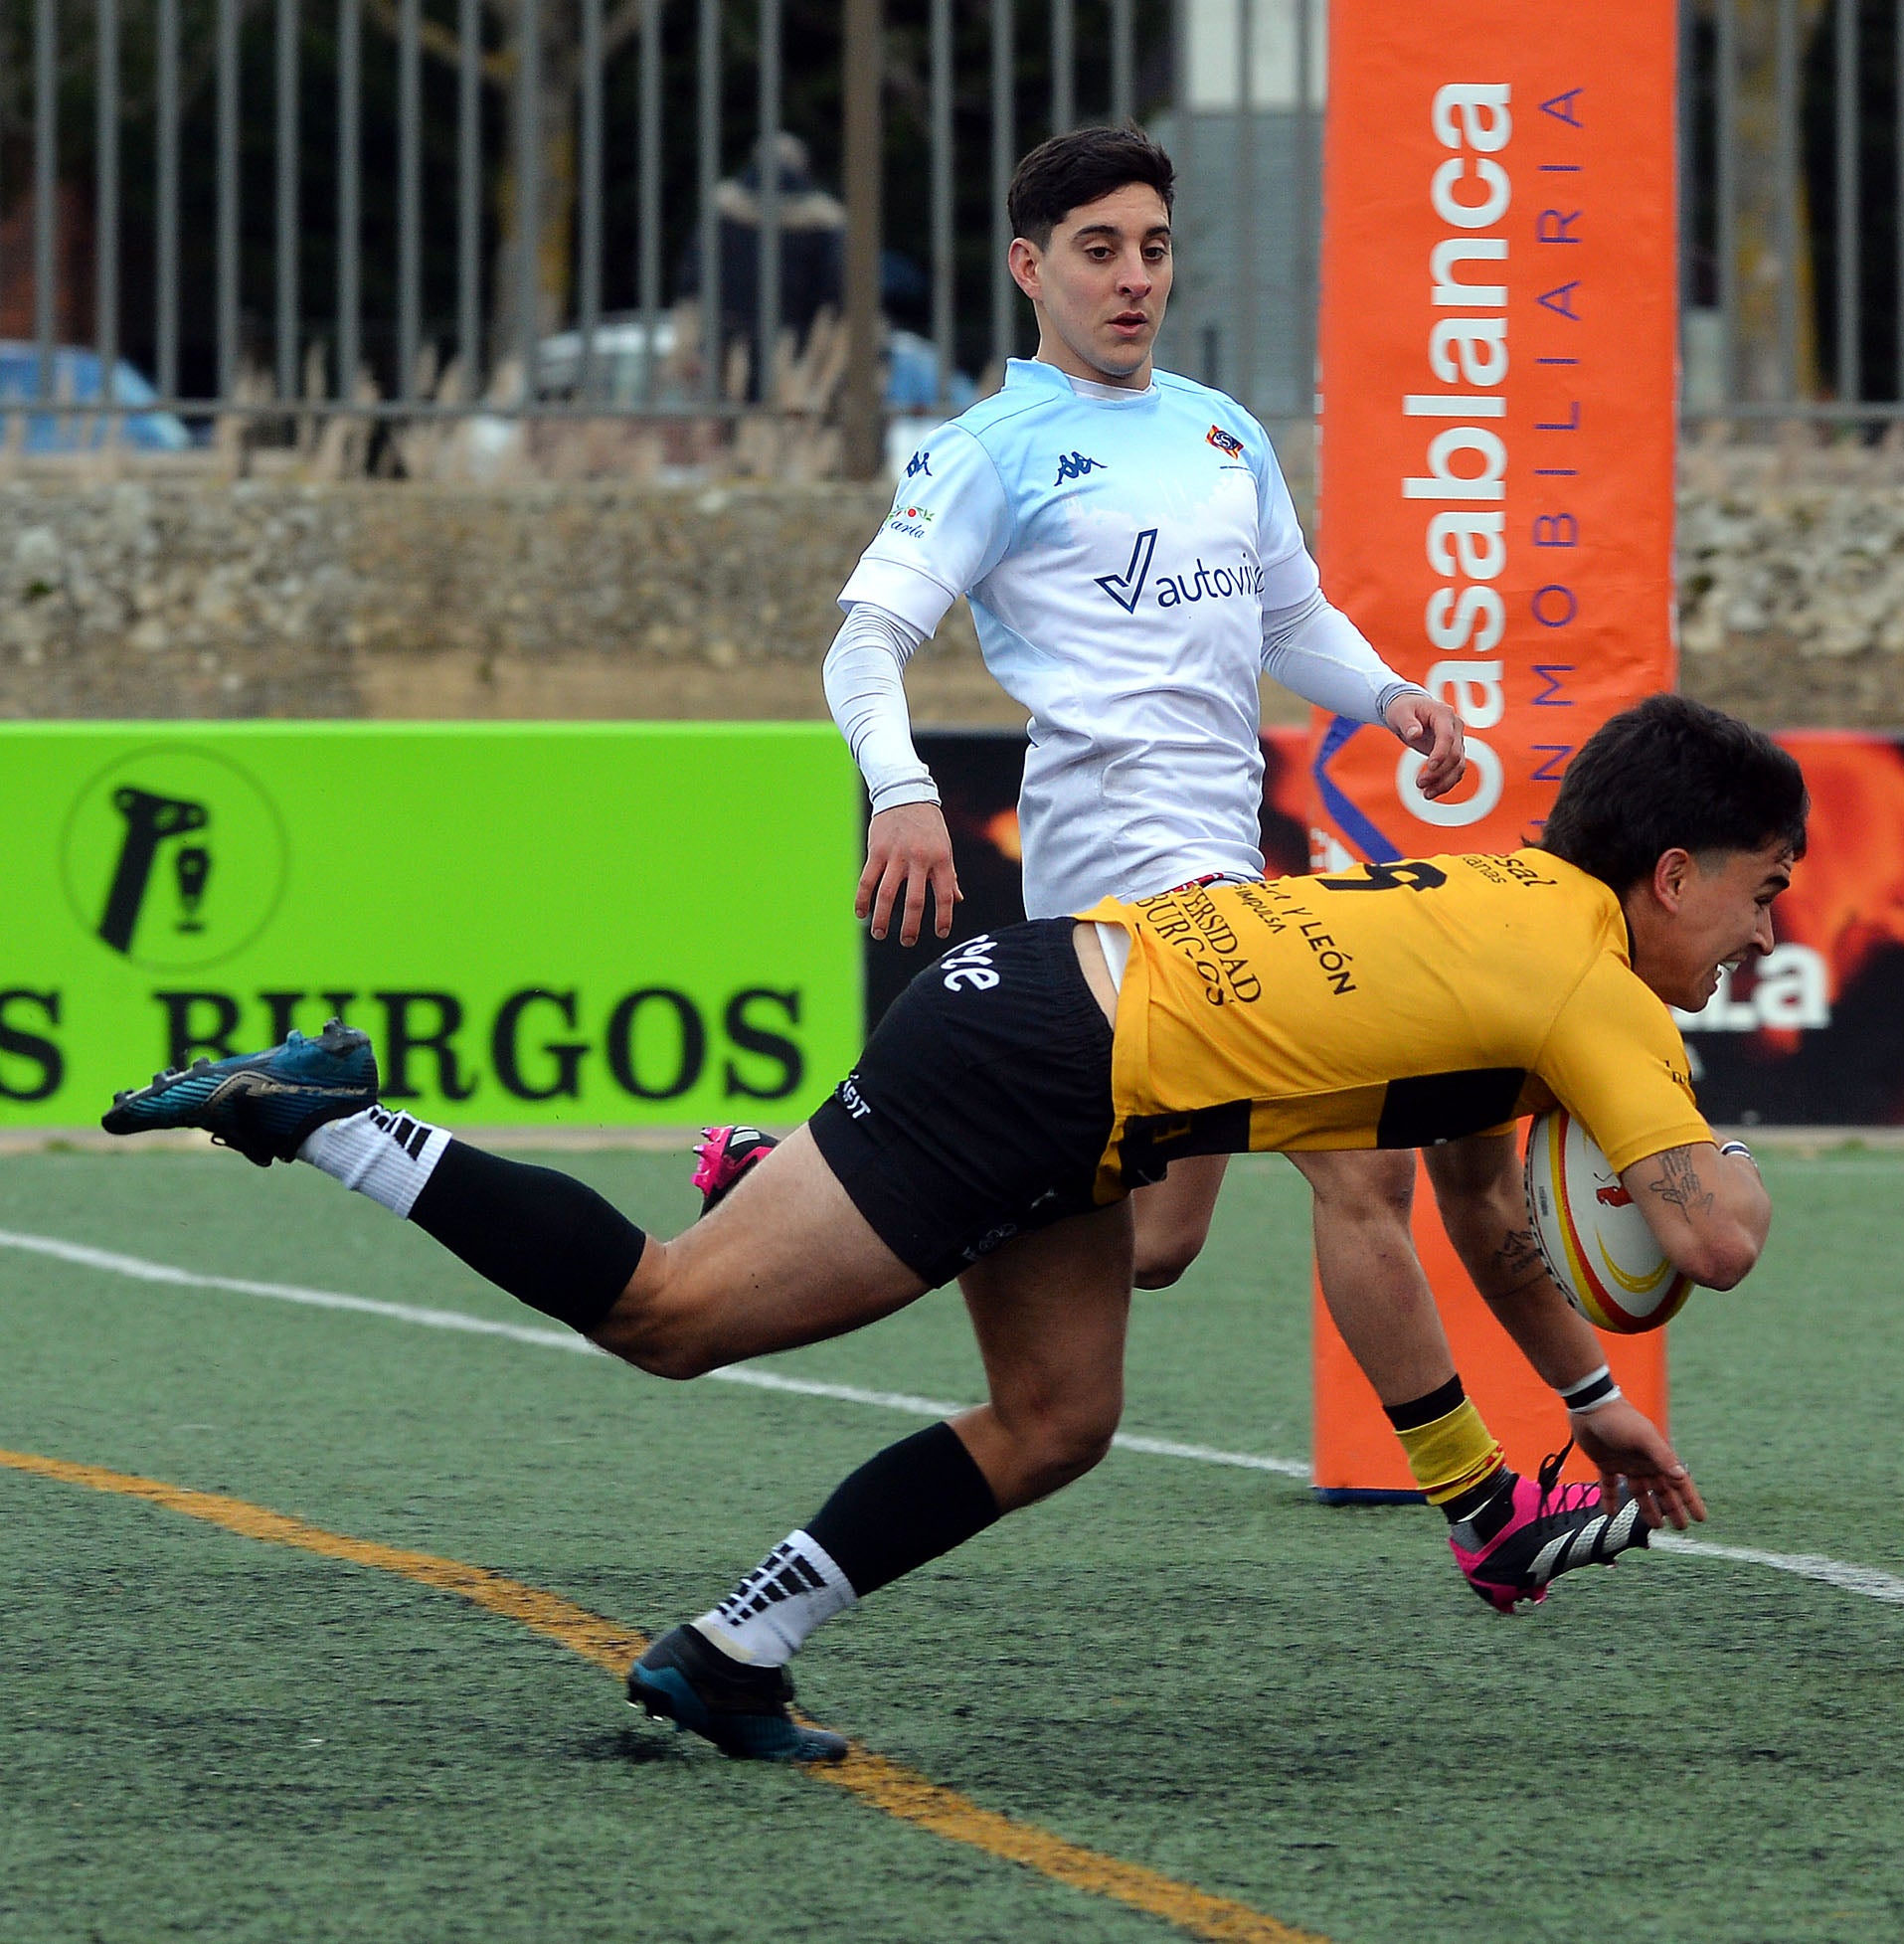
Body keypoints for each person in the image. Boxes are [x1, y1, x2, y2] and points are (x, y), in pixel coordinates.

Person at [102, 695, 1807, 1763]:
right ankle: (335, 1119)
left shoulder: (1513, 903)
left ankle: (729, 1653)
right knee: (673, 1318)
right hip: (1038, 1066)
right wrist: (1672, 1137)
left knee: (1060, 1420)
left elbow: (1488, 1222)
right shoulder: (1597, 997)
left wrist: (1579, 1415)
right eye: (1760, 889)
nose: (1762, 929)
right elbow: (1717, 1245)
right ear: (1670, 872)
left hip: (1071, 1047)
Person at [797, 122, 1693, 1613]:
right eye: (1098, 250)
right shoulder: (990, 451)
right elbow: (865, 638)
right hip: (1124, 865)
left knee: (1150, 1240)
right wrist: (898, 789)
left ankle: (813, 1164)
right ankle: (1481, 1507)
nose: (1132, 276)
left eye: (1152, 246)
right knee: (1365, 1163)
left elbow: (1292, 620)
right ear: (1030, 269)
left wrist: (1390, 694)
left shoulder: (1220, 430)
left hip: (1226, 846)